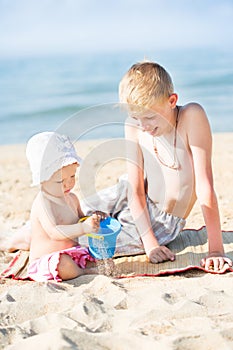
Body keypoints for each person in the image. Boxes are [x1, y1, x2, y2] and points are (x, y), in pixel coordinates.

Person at [115, 61, 232, 272]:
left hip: (158, 222)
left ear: (172, 100)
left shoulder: (191, 117)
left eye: (150, 117)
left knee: (75, 239)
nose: (144, 126)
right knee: (67, 213)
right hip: (128, 197)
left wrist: (215, 250)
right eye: (136, 117)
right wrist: (149, 244)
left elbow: (205, 186)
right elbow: (134, 190)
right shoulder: (134, 127)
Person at [18, 131, 106, 282]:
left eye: (72, 176)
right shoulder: (43, 203)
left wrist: (93, 220)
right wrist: (83, 228)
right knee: (63, 265)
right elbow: (54, 232)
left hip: (73, 252)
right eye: (60, 181)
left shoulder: (72, 198)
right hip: (47, 259)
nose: (68, 184)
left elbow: (81, 219)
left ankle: (82, 268)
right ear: (41, 180)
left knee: (95, 257)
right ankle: (82, 273)